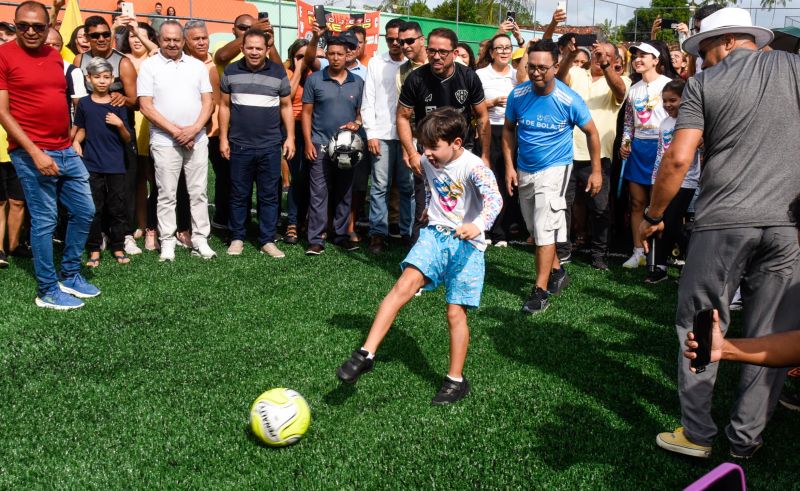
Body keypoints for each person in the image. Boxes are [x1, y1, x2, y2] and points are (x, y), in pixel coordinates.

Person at [640, 8, 800, 460]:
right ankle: (746, 438)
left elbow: (677, 159)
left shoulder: (704, 84)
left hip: (721, 221)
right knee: (773, 329)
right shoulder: (794, 68)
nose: (702, 61)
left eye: (705, 50)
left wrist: (653, 214)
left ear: (729, 40)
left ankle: (697, 433)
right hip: (787, 226)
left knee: (700, 323)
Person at [335, 107, 502, 405]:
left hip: (468, 247)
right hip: (435, 237)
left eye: (433, 147)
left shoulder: (474, 167)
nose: (426, 154)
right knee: (403, 286)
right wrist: (428, 209)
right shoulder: (428, 159)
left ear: (456, 144)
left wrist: (476, 226)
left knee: (455, 313)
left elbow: (495, 200)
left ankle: (455, 380)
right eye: (423, 147)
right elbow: (434, 188)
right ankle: (366, 353)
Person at [0, 0, 98, 309]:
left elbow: (63, 101)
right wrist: (34, 153)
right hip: (31, 151)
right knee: (44, 220)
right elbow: (2, 112)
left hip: (64, 148)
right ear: (15, 24)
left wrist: (69, 142)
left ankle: (69, 275)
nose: (30, 31)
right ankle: (46, 289)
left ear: (48, 28)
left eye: (38, 26)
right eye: (23, 26)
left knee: (84, 211)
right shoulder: (3, 56)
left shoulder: (55, 56)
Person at [502, 40, 602, 315]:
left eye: (543, 68)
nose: (536, 73)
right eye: (531, 67)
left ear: (556, 67)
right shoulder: (518, 95)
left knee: (544, 230)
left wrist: (595, 170)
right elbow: (509, 130)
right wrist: (510, 166)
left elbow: (592, 133)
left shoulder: (569, 99)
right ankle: (557, 270)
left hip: (556, 170)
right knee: (534, 229)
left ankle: (540, 291)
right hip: (524, 168)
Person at [397, 27, 491, 243]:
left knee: (464, 208)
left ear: (455, 53)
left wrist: (484, 155)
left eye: (442, 52)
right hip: (429, 155)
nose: (436, 56)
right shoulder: (416, 78)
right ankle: (420, 260)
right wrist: (411, 152)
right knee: (425, 208)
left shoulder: (468, 77)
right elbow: (402, 116)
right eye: (432, 51)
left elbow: (482, 117)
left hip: (462, 153)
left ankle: (461, 258)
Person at [137, 20, 215, 262]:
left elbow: (208, 102)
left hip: (197, 138)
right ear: (159, 40)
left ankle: (201, 239)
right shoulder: (149, 66)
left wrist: (193, 130)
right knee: (167, 194)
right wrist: (176, 131)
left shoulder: (197, 66)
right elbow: (146, 106)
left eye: (176, 39)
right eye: (167, 39)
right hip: (164, 140)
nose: (172, 43)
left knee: (199, 192)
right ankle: (167, 242)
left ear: (183, 41)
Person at [555, 41, 630, 270]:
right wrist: (568, 55)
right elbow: (558, 80)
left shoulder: (620, 79)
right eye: (597, 54)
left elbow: (620, 92)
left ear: (616, 61)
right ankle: (563, 250)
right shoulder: (577, 73)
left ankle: (599, 254)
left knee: (600, 209)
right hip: (566, 152)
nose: (600, 57)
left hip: (598, 158)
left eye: (607, 55)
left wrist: (605, 65)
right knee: (563, 206)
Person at [219, 28, 294, 258]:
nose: (254, 52)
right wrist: (223, 137)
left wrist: (290, 137)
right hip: (239, 145)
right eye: (249, 47)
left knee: (269, 195)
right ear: (242, 48)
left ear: (267, 50)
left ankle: (267, 239)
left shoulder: (278, 72)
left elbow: (286, 106)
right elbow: (223, 106)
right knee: (239, 194)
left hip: (270, 146)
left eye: (259, 48)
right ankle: (237, 237)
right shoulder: (231, 71)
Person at [73, 15, 141, 257]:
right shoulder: (80, 59)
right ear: (87, 37)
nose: (101, 39)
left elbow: (136, 100)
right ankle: (98, 235)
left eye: (105, 34)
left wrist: (124, 99)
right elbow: (76, 96)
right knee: (94, 192)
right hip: (90, 133)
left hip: (118, 134)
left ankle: (125, 236)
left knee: (122, 191)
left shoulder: (122, 62)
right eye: (95, 35)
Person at [301, 36, 363, 255]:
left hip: (347, 147)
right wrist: (308, 142)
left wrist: (357, 123)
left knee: (344, 192)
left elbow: (360, 114)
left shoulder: (357, 82)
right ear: (326, 55)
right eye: (332, 53)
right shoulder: (315, 80)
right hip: (320, 144)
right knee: (318, 192)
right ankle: (316, 239)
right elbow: (306, 113)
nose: (336, 58)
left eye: (340, 54)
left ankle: (340, 234)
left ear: (348, 55)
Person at [72, 57, 132, 267]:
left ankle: (118, 246)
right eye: (97, 77)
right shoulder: (85, 104)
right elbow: (81, 128)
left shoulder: (118, 103)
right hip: (92, 164)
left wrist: (119, 124)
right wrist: (75, 143)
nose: (101, 81)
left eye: (106, 77)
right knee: (94, 208)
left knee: (117, 207)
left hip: (115, 163)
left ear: (112, 78)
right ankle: (94, 249)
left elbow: (127, 138)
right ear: (89, 79)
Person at [361, 18, 414, 255]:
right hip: (381, 133)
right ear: (385, 38)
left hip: (408, 137)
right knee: (380, 187)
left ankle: (408, 232)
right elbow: (368, 100)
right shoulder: (375, 62)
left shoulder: (414, 64)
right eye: (390, 39)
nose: (395, 43)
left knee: (407, 186)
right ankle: (378, 234)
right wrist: (371, 133)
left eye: (399, 39)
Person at [619, 41, 673, 269]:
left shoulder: (670, 85)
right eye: (636, 56)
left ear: (656, 59)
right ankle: (638, 252)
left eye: (644, 55)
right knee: (637, 203)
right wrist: (626, 141)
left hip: (663, 150)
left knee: (657, 205)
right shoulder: (634, 88)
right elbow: (629, 121)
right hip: (638, 148)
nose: (638, 59)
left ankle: (659, 258)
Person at [643, 79, 698, 284]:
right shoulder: (665, 123)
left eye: (673, 100)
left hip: (686, 181)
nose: (668, 105)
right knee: (662, 223)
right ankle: (660, 266)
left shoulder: (692, 122)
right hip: (663, 181)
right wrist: (655, 179)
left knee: (673, 223)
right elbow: (660, 154)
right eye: (665, 101)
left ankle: (694, 263)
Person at [476, 33, 519, 247]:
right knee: (487, 181)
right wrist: (491, 103)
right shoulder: (481, 74)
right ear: (491, 53)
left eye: (507, 47)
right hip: (487, 130)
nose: (504, 51)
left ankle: (501, 231)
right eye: (499, 48)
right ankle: (484, 228)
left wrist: (521, 40)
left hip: (511, 131)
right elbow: (472, 105)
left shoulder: (516, 75)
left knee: (507, 181)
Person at [183, 20, 226, 233]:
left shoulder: (213, 65)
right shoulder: (178, 64)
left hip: (214, 131)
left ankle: (220, 219)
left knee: (223, 175)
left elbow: (215, 102)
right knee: (184, 181)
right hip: (186, 132)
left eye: (204, 38)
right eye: (196, 39)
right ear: (186, 42)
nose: (201, 42)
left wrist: (209, 126)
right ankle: (183, 225)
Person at [283, 39, 310, 246]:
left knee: (313, 179)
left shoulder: (317, 74)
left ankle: (307, 220)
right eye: (298, 56)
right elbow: (288, 96)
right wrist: (299, 68)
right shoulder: (289, 73)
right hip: (293, 130)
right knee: (297, 177)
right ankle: (292, 221)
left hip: (313, 130)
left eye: (306, 56)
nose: (303, 59)